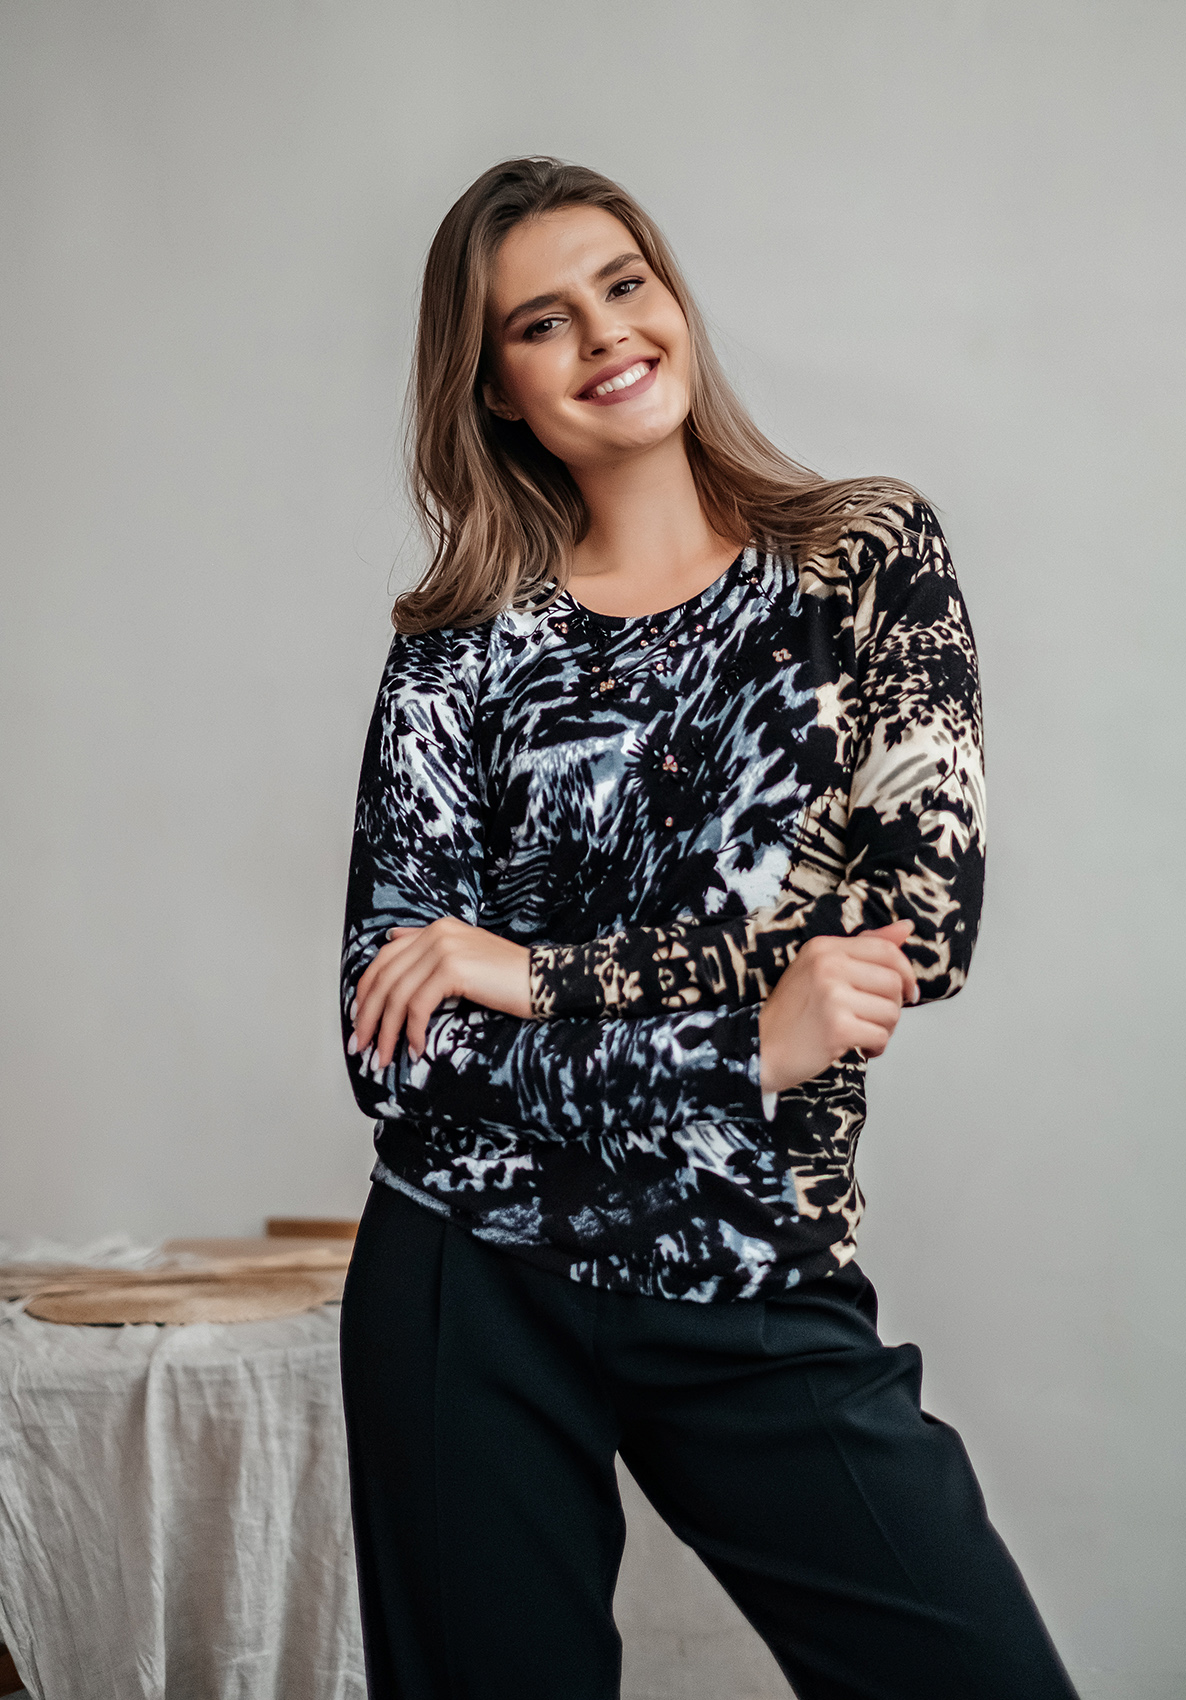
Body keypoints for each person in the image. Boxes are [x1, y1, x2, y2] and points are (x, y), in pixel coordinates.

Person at [338, 156, 1078, 1700]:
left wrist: (539, 976)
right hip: (473, 1273)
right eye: (541, 322)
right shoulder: (454, 654)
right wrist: (742, 1045)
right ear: (494, 391)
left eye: (624, 283)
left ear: (671, 298)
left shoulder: (863, 557)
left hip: (751, 1253)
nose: (606, 332)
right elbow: (402, 1053)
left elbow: (914, 926)